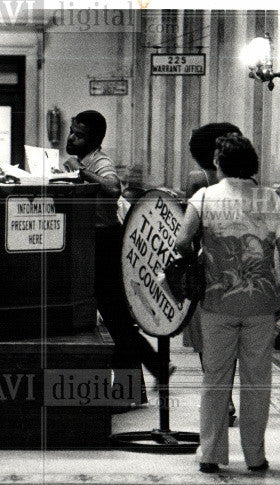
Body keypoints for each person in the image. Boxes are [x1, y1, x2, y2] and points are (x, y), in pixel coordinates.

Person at [174, 134, 280, 473]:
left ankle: (210, 453)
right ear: (252, 164)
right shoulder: (269, 199)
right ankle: (255, 456)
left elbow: (182, 240)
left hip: (217, 302)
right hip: (260, 304)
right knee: (257, 382)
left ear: (218, 163)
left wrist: (199, 256)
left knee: (215, 379)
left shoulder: (205, 196)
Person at [62, 109, 166, 404]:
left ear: (93, 139)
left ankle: (138, 383)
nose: (71, 137)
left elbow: (112, 187)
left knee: (116, 318)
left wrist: (82, 172)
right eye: (72, 130)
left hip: (105, 243)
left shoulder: (100, 162)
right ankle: (136, 385)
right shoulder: (86, 160)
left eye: (79, 134)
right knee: (115, 319)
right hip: (92, 242)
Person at [182, 122, 242, 427]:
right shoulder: (247, 181)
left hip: (206, 271)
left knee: (208, 341)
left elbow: (186, 233)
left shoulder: (198, 183)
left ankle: (222, 399)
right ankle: (226, 396)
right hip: (236, 271)